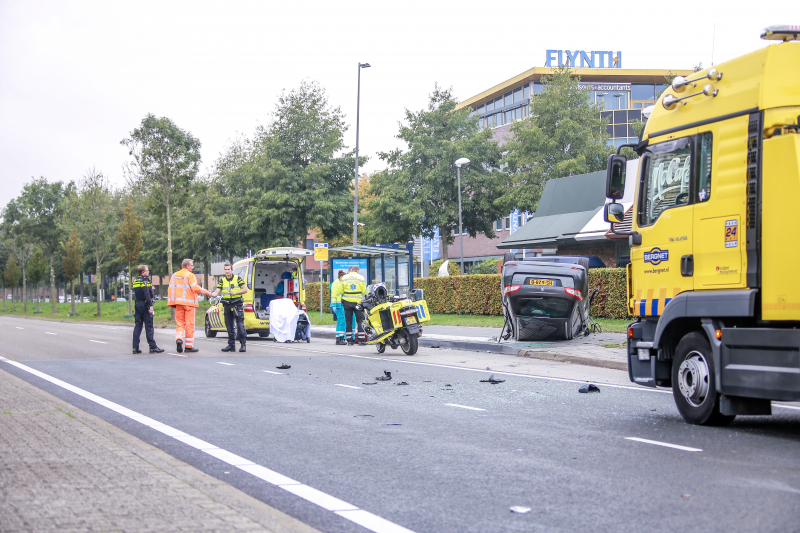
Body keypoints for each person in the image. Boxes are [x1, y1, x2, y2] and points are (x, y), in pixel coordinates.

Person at [167, 258, 211, 353]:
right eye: (191, 265)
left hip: (178, 304)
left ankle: (179, 339)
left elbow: (171, 289)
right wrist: (206, 292)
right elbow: (195, 288)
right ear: (187, 266)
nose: (193, 267)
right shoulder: (190, 275)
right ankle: (188, 346)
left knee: (180, 324)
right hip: (189, 304)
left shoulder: (174, 275)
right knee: (190, 324)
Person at [209, 262, 248, 353]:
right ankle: (231, 345)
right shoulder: (222, 280)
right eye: (225, 270)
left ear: (231, 270)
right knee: (229, 325)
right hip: (226, 304)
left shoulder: (237, 278)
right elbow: (217, 292)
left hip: (236, 303)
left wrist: (235, 293)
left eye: (228, 269)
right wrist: (211, 294)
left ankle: (243, 345)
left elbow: (245, 289)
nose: (227, 271)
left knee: (240, 325)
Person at [132, 264, 163, 354]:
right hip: (145, 305)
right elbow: (147, 294)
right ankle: (152, 347)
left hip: (137, 305)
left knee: (138, 326)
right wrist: (150, 305)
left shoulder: (135, 281)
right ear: (143, 272)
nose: (148, 272)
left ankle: (135, 348)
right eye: (147, 270)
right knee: (149, 326)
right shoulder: (145, 281)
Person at [340, 265, 367, 345]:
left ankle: (349, 341)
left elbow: (341, 291)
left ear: (351, 270)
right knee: (360, 321)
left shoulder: (344, 277)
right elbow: (363, 291)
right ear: (357, 270)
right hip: (358, 302)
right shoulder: (361, 278)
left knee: (348, 321)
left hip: (347, 301)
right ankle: (361, 340)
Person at [330, 270, 346, 345]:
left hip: (340, 305)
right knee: (341, 322)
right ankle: (340, 339)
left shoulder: (340, 283)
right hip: (338, 306)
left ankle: (339, 338)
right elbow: (334, 295)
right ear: (340, 277)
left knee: (341, 321)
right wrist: (334, 305)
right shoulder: (336, 284)